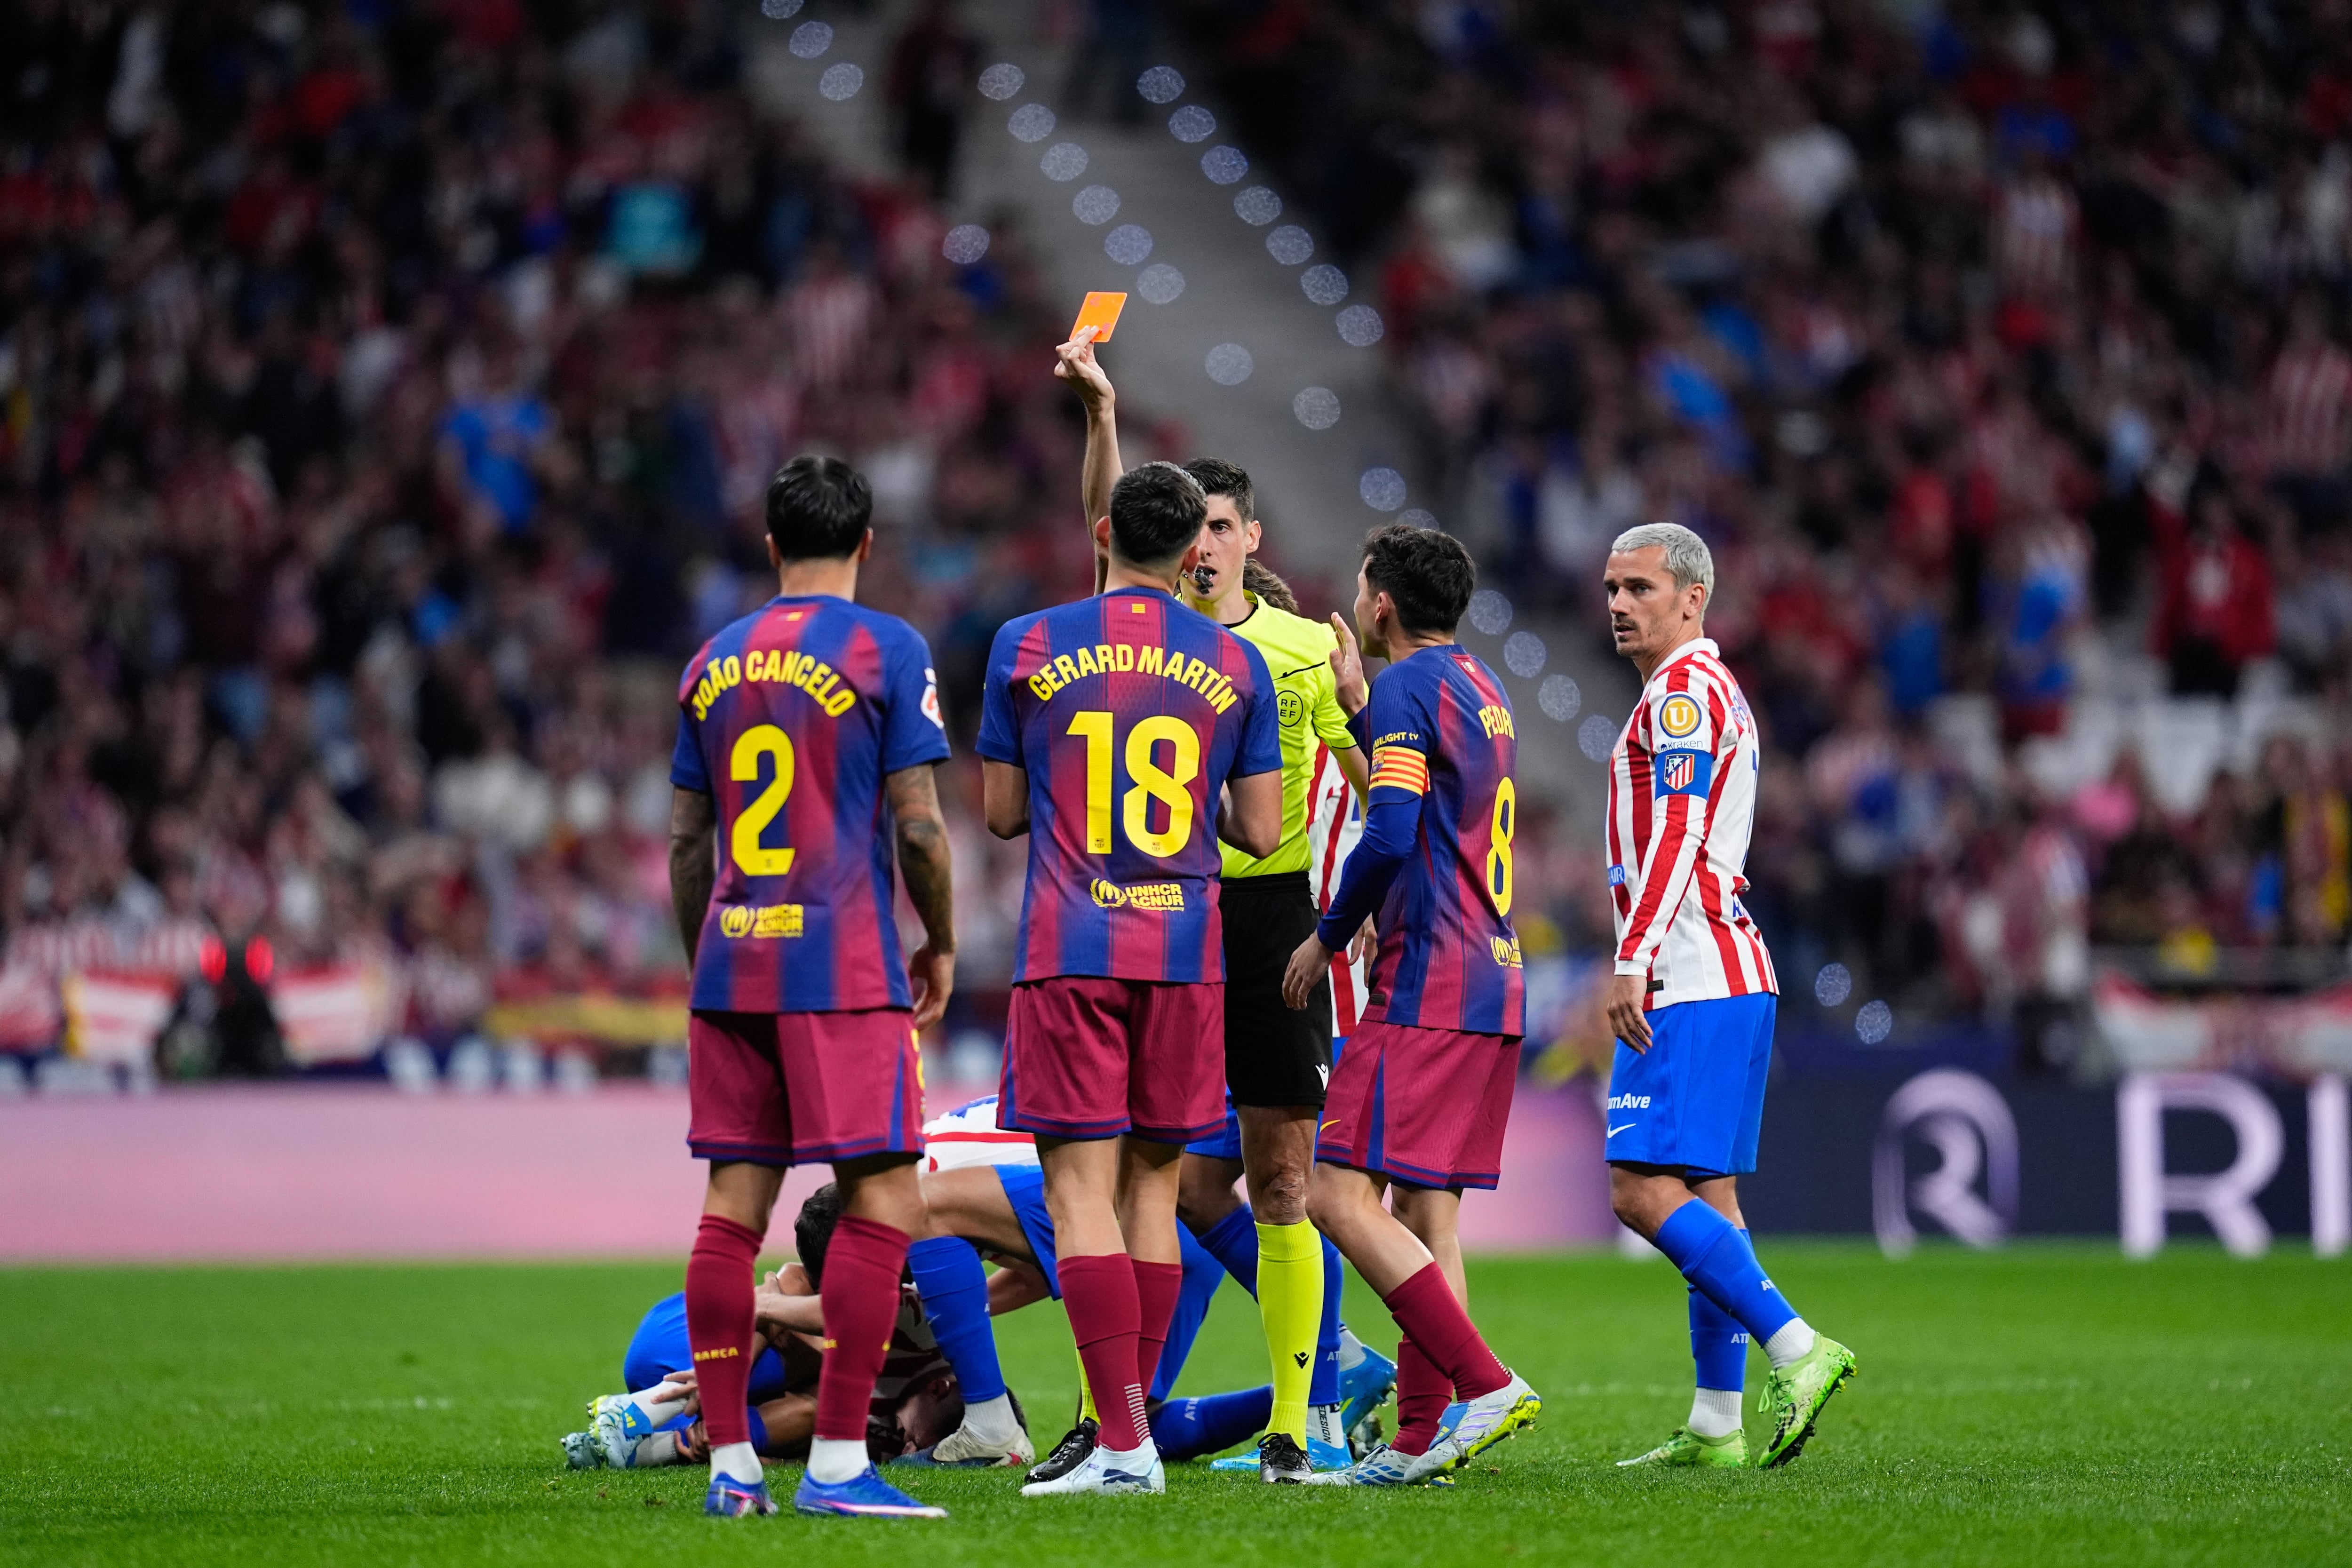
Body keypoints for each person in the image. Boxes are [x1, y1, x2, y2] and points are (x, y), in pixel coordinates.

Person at [1055, 334, 1372, 1480]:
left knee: (1283, 1178)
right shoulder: (1143, 634)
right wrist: (1103, 419)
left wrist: (1355, 906)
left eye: (1223, 527)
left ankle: (1302, 1422)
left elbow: (1381, 773)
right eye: (1188, 528)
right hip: (1165, 918)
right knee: (1172, 1182)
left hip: (1272, 923)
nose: (1204, 544)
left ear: (1249, 541)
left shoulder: (1296, 646)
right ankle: (1124, 1418)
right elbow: (1106, 524)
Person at [977, 461, 1286, 1496]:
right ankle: (1133, 1435)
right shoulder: (1235, 664)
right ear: (1195, 552)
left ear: (1102, 529)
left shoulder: (1026, 644)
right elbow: (1257, 828)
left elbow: (1002, 812)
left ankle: (1118, 1445)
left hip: (1073, 946)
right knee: (1153, 1188)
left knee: (1079, 1192)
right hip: (1186, 952)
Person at [665, 455, 959, 1520]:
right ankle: (838, 1460)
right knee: (886, 1198)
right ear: (867, 544)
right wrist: (942, 940)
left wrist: (702, 950)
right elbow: (918, 823)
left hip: (733, 958)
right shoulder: (888, 648)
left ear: (770, 545)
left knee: (730, 1213)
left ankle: (732, 1466)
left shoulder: (711, 662)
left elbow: (688, 839)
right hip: (840, 963)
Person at [1279, 524, 1542, 1488]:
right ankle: (1416, 1438)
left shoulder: (1406, 688)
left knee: (1333, 1193)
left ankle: (1484, 1382)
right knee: (1422, 1210)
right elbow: (1429, 803)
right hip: (1492, 976)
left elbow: (1389, 831)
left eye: (1360, 584)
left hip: (1426, 977)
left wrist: (1324, 931)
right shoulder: (1481, 688)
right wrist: (1356, 711)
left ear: (1379, 602)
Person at [1597, 521, 1856, 1471]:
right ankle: (1715, 1419)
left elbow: (1675, 832)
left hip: (1690, 972)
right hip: (1723, 971)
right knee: (1706, 1191)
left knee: (1637, 1188)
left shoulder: (1682, 693)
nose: (1619, 604)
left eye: (1639, 587)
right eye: (1612, 587)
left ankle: (1797, 1346)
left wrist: (1633, 954)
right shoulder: (1704, 692)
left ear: (1692, 597)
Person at [898, 1096, 1398, 1475]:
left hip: (1139, 1217)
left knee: (928, 1208)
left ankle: (990, 1424)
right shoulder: (951, 1173)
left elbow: (1066, 1232)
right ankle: (1313, 1386)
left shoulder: (915, 1182)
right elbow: (1037, 1270)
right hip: (1180, 1228)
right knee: (1132, 1427)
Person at [562, 1249, 969, 1474]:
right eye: (926, 1439)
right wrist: (724, 1375)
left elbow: (809, 1443)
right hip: (689, 1340)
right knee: (835, 1368)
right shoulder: (920, 1325)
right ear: (940, 1388)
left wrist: (770, 1456)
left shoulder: (889, 1435)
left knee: (828, 1400)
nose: (911, 1448)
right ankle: (646, 1410)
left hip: (690, 1395)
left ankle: (641, 1435)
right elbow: (792, 1278)